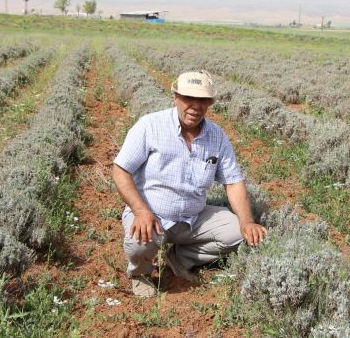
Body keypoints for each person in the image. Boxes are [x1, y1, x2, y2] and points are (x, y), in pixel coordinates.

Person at [112, 70, 267, 297]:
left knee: (237, 233)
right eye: (188, 98)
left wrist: (247, 222)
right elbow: (121, 170)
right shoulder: (150, 126)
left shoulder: (217, 137)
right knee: (139, 241)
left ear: (210, 103)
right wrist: (140, 211)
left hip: (192, 219)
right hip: (152, 216)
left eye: (202, 100)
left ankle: (180, 257)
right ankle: (141, 273)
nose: (195, 106)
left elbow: (233, 182)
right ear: (175, 97)